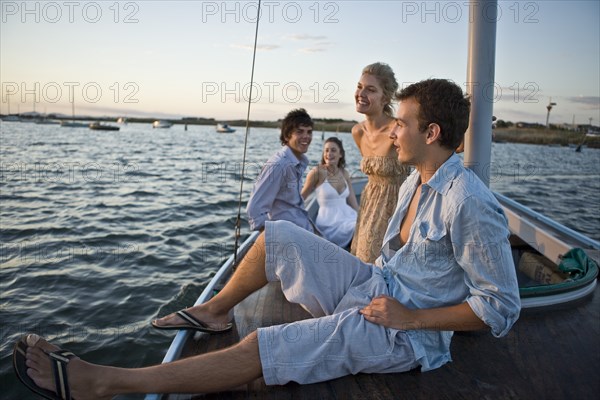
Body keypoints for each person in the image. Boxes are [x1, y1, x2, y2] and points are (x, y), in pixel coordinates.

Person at [15, 79, 521, 399]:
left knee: (266, 343)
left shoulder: (470, 202)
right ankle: (216, 309)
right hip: (377, 285)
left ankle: (103, 382)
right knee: (277, 234)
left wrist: (410, 317)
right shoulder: (417, 178)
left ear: (431, 133)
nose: (391, 133)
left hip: (406, 333)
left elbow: (500, 307)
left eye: (401, 125)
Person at [350, 62, 411, 263]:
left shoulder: (398, 129)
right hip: (368, 206)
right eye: (360, 87)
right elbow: (374, 175)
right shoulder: (357, 132)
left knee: (383, 268)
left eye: (370, 89)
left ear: (385, 98)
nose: (361, 93)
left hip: (397, 206)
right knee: (362, 262)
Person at [246, 108, 314, 232]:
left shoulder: (298, 163)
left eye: (309, 132)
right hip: (290, 239)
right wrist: (278, 237)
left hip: (303, 230)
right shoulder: (279, 165)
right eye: (300, 132)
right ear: (287, 135)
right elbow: (254, 211)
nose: (306, 137)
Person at [301, 137, 359, 247]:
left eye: (333, 150)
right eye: (326, 150)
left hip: (347, 216)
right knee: (357, 228)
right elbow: (301, 198)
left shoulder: (344, 173)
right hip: (328, 223)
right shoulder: (317, 172)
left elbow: (353, 203)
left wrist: (364, 216)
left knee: (366, 225)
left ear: (340, 154)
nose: (329, 154)